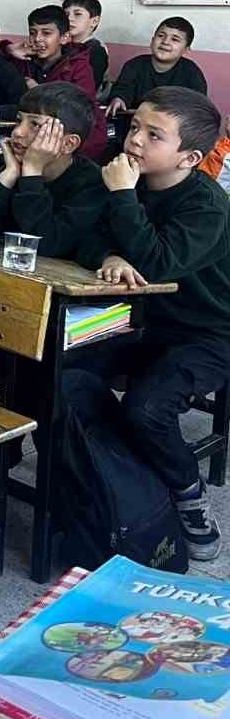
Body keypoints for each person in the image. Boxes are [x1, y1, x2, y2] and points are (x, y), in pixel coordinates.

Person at [73, 89, 230, 561]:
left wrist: (122, 196)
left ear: (190, 157)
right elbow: (84, 240)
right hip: (143, 323)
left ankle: (186, 493)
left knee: (147, 409)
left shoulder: (207, 206)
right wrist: (109, 253)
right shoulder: (129, 180)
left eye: (153, 135)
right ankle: (108, 475)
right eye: (134, 127)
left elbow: (159, 263)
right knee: (62, 369)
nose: (135, 140)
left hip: (210, 334)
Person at [0, 82, 105, 258]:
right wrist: (8, 176)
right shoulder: (15, 168)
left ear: (68, 143)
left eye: (35, 124)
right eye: (19, 120)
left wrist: (32, 174)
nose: (18, 132)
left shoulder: (92, 183)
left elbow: (46, 246)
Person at [6, 4, 106, 159]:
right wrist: (9, 51)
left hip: (77, 145)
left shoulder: (78, 65)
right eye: (32, 33)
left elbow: (78, 110)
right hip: (32, 137)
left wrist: (38, 90)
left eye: (46, 33)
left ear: (64, 38)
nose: (37, 39)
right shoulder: (25, 60)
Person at [107, 18, 207, 117]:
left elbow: (198, 105)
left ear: (186, 49)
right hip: (136, 121)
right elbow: (123, 89)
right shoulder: (134, 65)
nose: (165, 42)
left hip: (173, 127)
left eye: (175, 39)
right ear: (152, 41)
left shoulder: (191, 72)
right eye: (161, 36)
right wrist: (119, 99)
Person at [63, 0, 108, 89]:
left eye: (78, 14)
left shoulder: (97, 50)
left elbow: (88, 89)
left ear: (94, 21)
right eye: (66, 14)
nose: (69, 19)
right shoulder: (65, 45)